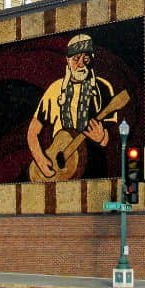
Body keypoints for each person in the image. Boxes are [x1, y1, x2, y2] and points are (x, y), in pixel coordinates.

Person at [27, 34, 118, 181]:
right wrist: (41, 160)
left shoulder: (102, 88)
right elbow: (32, 132)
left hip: (94, 171)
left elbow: (116, 135)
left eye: (86, 59)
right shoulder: (55, 89)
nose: (81, 64)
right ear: (68, 60)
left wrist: (102, 139)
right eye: (76, 59)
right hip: (61, 174)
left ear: (91, 60)